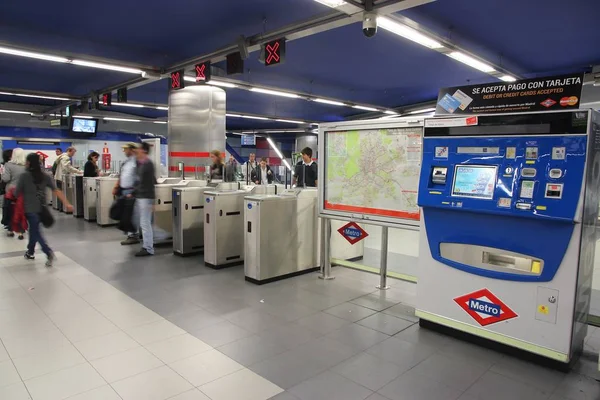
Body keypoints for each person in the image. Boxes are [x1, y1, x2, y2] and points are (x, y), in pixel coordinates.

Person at [16, 153, 72, 267]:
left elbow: (17, 193)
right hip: (42, 208)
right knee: (34, 230)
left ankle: (48, 252)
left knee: (36, 232)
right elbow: (56, 190)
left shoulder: (24, 176)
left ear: (28, 163)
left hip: (29, 209)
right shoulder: (45, 176)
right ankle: (30, 252)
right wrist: (67, 203)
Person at [133, 142, 157, 257]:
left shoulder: (148, 164)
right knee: (142, 222)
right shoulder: (141, 163)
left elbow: (151, 182)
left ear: (144, 150)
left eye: (139, 149)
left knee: (145, 223)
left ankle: (148, 248)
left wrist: (152, 200)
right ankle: (148, 245)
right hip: (140, 196)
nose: (137, 150)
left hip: (146, 197)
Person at [114, 143, 140, 246]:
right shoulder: (126, 162)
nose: (124, 151)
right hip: (124, 191)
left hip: (131, 192)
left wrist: (134, 192)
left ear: (132, 150)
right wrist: (117, 187)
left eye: (126, 149)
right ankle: (132, 234)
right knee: (128, 214)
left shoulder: (137, 162)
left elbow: (139, 178)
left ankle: (133, 236)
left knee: (133, 214)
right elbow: (122, 175)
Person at [2, 148, 26, 238]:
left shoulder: (8, 165)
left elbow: (6, 179)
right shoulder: (26, 166)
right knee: (21, 211)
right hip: (22, 192)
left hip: (10, 192)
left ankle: (10, 230)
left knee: (10, 211)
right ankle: (20, 231)